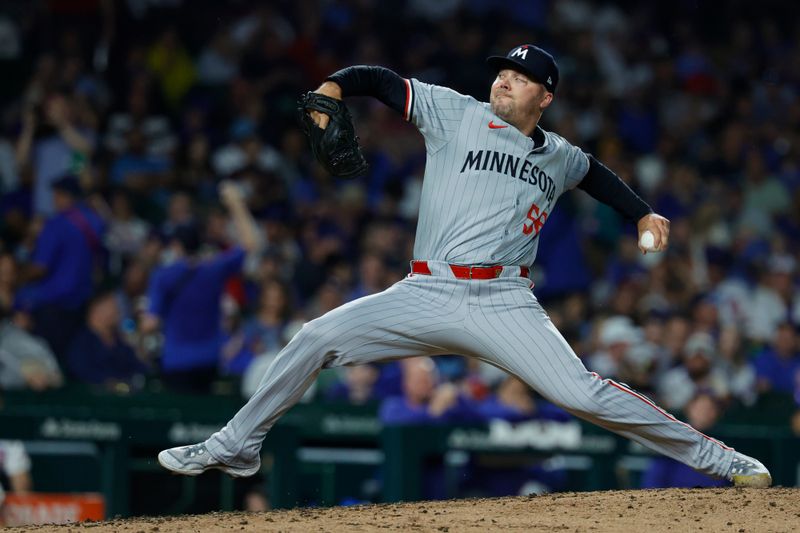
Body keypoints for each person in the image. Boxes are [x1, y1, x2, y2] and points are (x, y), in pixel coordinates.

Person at [158, 44, 771, 488]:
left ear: (545, 96)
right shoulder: (454, 112)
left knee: (582, 393)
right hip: (425, 289)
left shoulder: (558, 155)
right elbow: (376, 77)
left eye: (521, 76)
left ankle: (718, 459)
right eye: (503, 71)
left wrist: (642, 214)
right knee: (315, 336)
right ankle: (236, 447)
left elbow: (597, 178)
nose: (505, 80)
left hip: (504, 302)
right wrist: (333, 88)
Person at [140, 182, 262, 394]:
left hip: (176, 360)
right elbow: (251, 243)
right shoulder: (213, 269)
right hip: (209, 358)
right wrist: (235, 204)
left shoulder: (163, 275)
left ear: (176, 245)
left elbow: (150, 324)